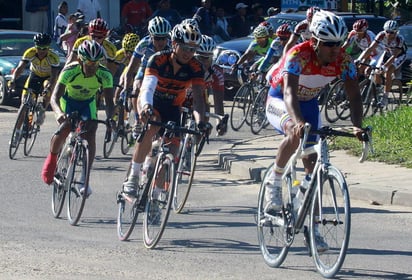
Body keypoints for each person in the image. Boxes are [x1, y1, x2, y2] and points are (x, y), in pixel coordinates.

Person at [263, 10, 364, 251]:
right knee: (293, 134)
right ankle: (274, 183)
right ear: (315, 41)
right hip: (281, 100)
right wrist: (297, 122)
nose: (335, 49)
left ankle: (313, 229)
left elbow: (354, 96)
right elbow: (288, 93)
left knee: (314, 169)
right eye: (329, 45)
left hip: (309, 104)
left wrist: (358, 125)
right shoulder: (298, 55)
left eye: (338, 44)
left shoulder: (344, 60)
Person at [122, 22, 207, 196]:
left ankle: (155, 195)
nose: (188, 53)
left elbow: (198, 98)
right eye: (184, 48)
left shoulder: (196, 67)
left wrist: (201, 123)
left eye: (193, 50)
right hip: (152, 101)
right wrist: (146, 105)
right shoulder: (158, 59)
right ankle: (134, 176)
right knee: (153, 126)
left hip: (173, 107)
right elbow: (147, 87)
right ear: (174, 44)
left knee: (173, 149)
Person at [41, 40, 114, 195]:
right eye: (89, 62)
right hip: (68, 101)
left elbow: (109, 102)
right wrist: (59, 113)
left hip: (87, 102)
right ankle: (52, 160)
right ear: (80, 59)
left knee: (91, 131)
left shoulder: (105, 74)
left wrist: (110, 118)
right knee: (66, 128)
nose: (93, 66)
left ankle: (84, 178)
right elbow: (54, 98)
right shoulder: (70, 70)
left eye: (96, 63)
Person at [123, 16, 172, 137]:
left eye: (164, 38)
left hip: (163, 70)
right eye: (157, 38)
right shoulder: (144, 44)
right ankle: (138, 121)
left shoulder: (171, 45)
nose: (161, 42)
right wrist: (125, 89)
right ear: (151, 36)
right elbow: (130, 70)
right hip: (146, 68)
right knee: (137, 87)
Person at [9, 33, 60, 145]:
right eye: (39, 47)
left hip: (48, 77)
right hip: (34, 75)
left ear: (48, 47)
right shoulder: (30, 52)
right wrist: (13, 80)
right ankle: (17, 133)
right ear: (35, 46)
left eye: (44, 48)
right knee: (24, 103)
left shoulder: (53, 57)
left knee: (47, 89)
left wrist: (48, 88)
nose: (41, 51)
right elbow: (20, 68)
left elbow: (53, 76)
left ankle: (42, 110)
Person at [355, 20, 407, 107]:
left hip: (399, 55)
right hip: (387, 53)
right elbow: (370, 48)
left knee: (388, 71)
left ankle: (385, 98)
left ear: (396, 32)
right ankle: (378, 89)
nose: (389, 34)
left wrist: (385, 66)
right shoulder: (381, 35)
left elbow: (394, 56)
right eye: (387, 32)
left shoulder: (399, 39)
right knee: (376, 72)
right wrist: (359, 59)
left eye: (392, 32)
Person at [193, 35, 226, 135]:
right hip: (183, 94)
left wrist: (219, 123)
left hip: (202, 96)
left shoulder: (217, 73)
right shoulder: (186, 66)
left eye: (208, 58)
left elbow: (218, 102)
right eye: (201, 58)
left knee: (203, 123)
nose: (204, 62)